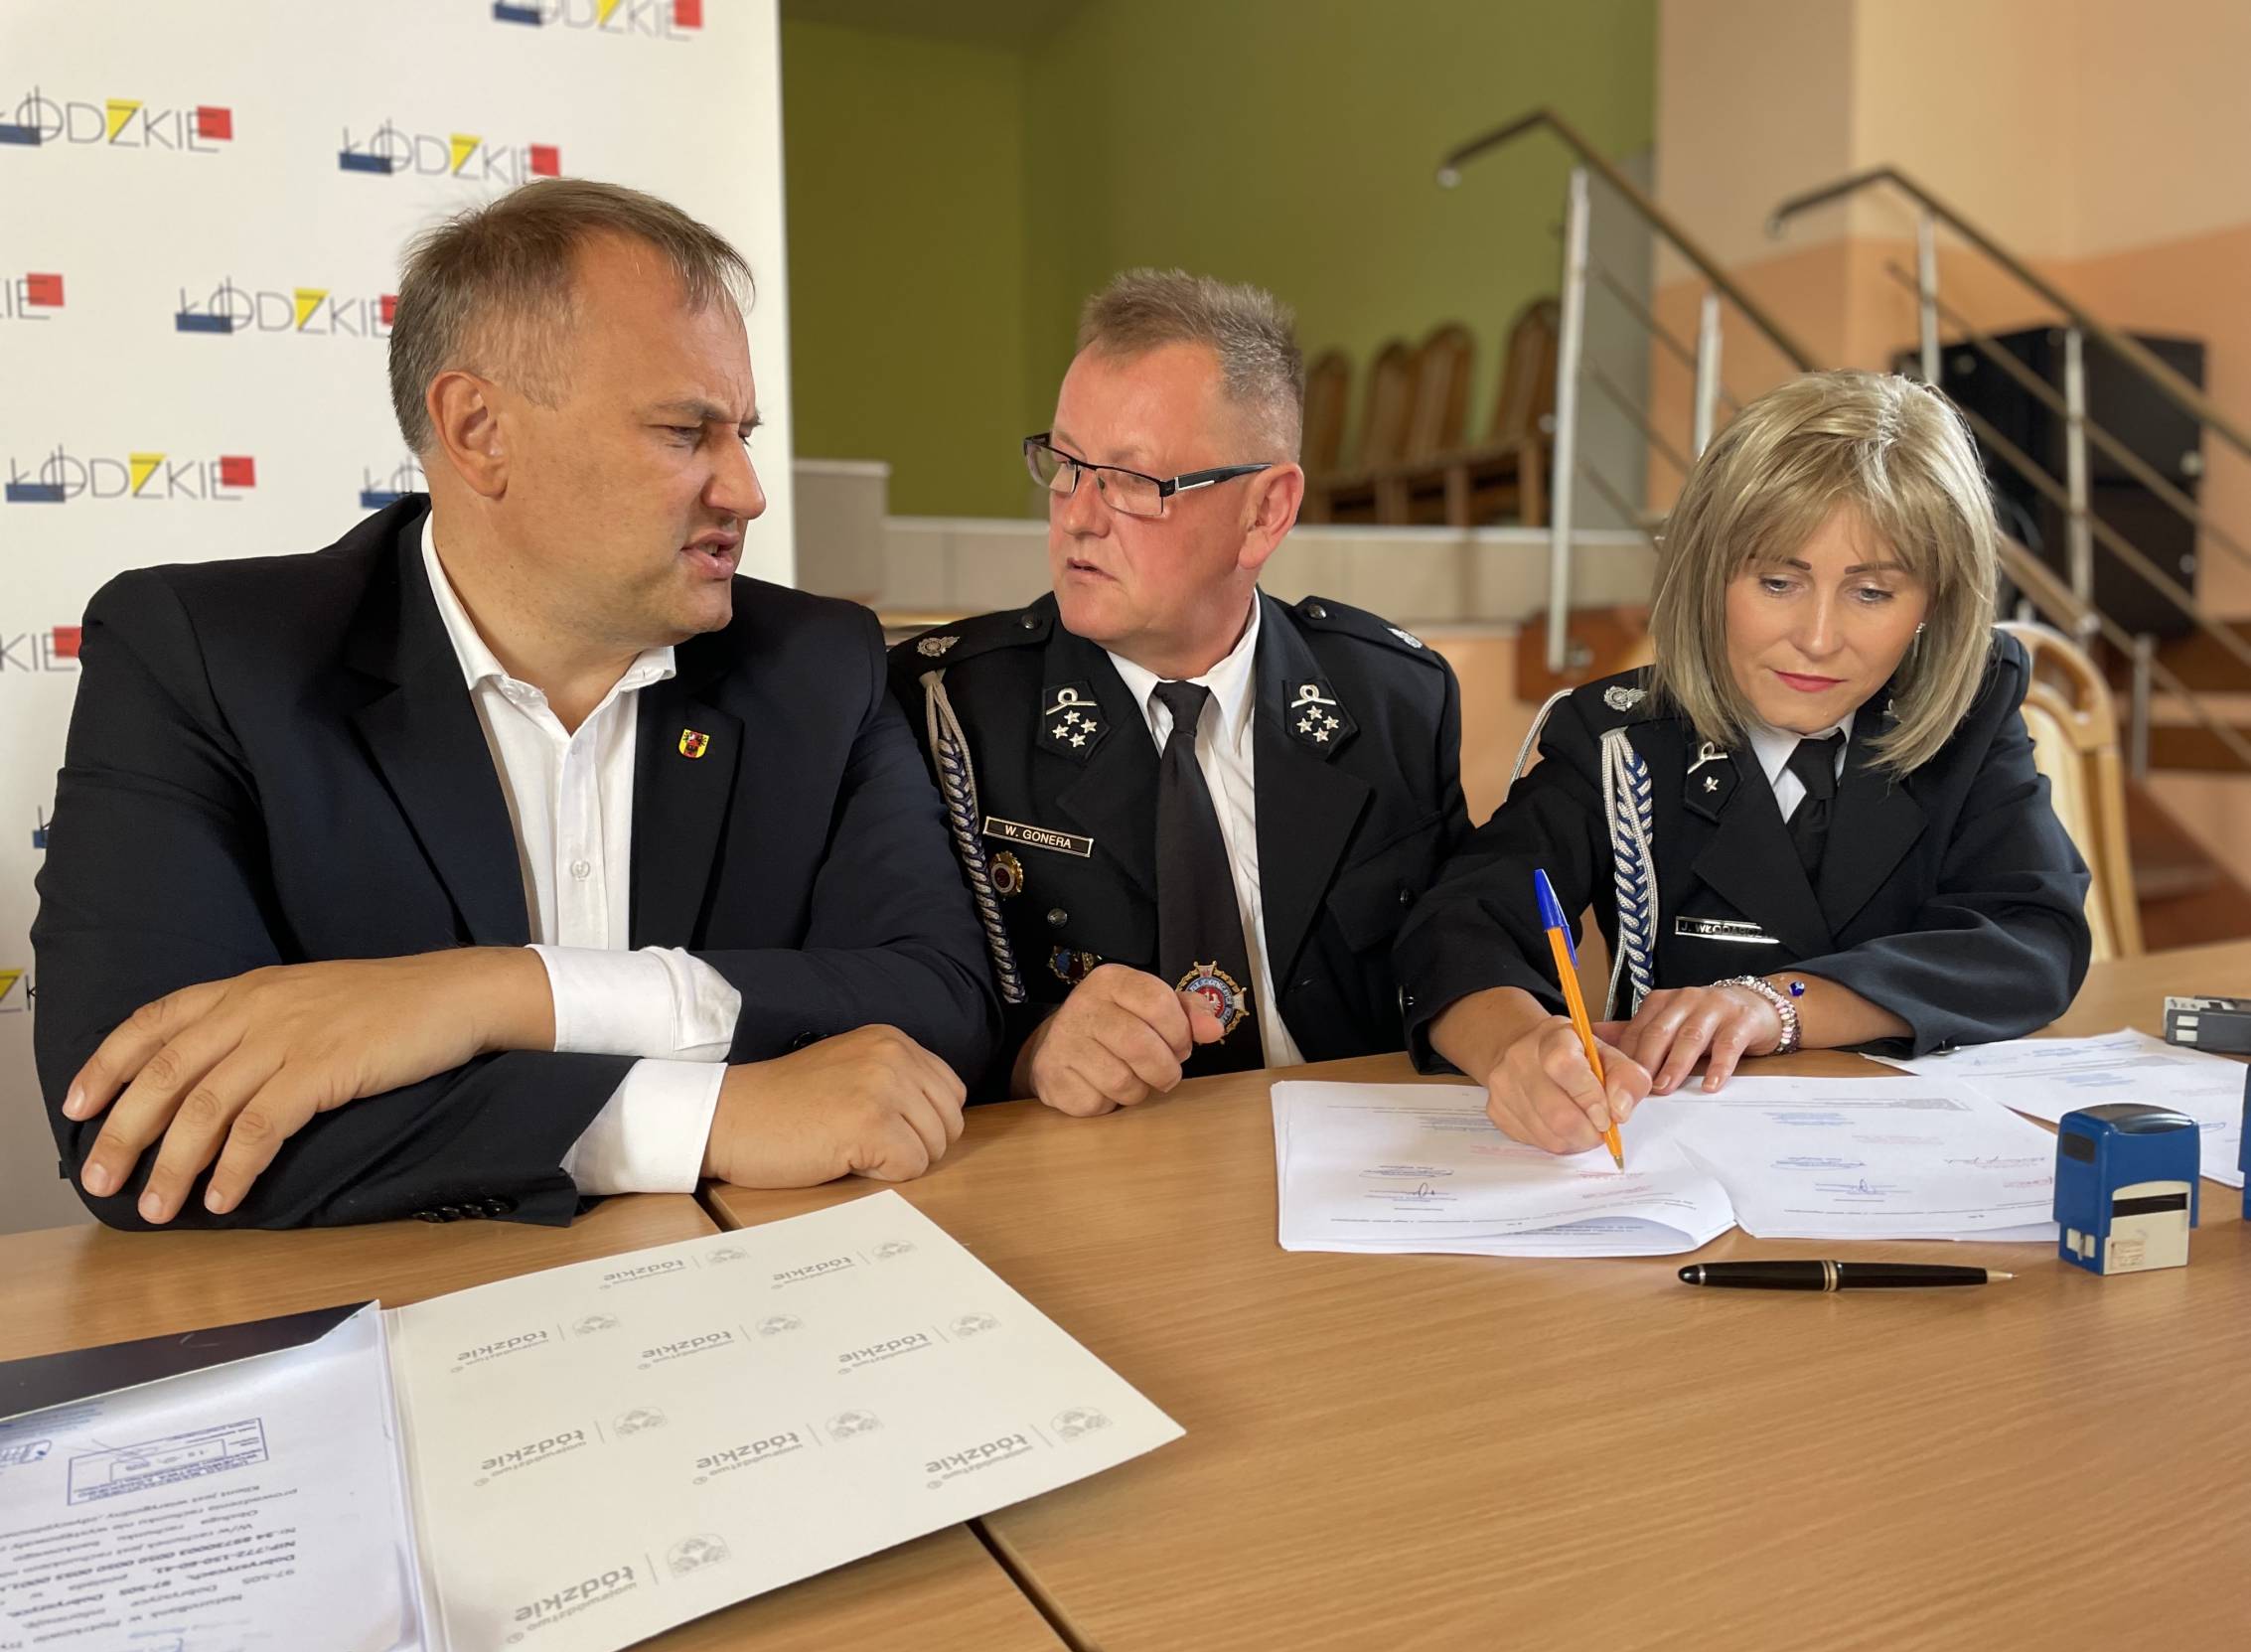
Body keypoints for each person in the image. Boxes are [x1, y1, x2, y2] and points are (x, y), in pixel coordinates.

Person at [33, 179, 995, 1230]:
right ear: (479, 429)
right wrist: (699, 1118)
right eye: (686, 432)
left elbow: (941, 1004)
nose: (745, 491)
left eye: (742, 434)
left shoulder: (817, 664)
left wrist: (492, 996)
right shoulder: (202, 657)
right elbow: (139, 1125)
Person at [1396, 369, 2092, 1155]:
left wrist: (1779, 1003)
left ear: (1934, 601)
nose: (1819, 639)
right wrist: (1516, 1047)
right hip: (1683, 1159)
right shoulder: (1623, 737)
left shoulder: (1969, 712)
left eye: (1872, 593)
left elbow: (2032, 940)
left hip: (1915, 1159)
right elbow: (1456, 927)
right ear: (1707, 576)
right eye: (1778, 582)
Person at [891, 269, 1472, 1114]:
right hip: (1103, 1172)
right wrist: (1032, 1053)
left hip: (1368, 1149)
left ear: (1265, 512)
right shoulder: (948, 710)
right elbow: (888, 996)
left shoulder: (1394, 700)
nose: (1078, 515)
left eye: (1133, 481)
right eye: (1066, 464)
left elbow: (1455, 954)